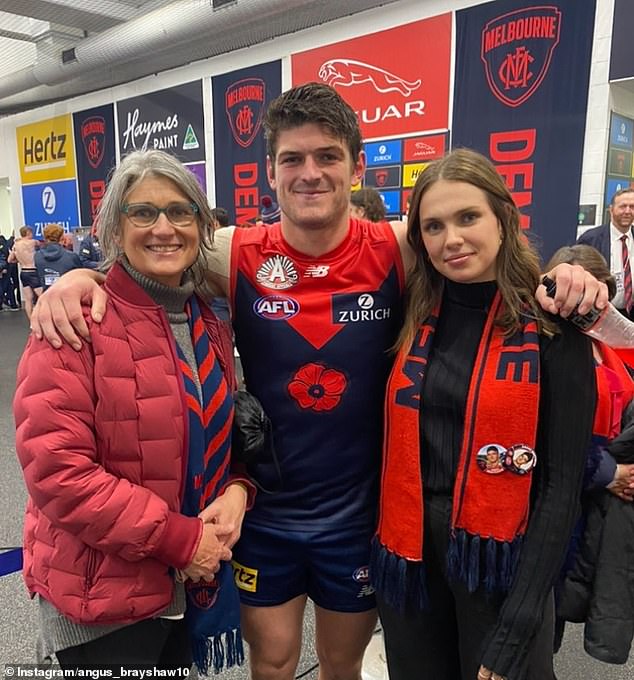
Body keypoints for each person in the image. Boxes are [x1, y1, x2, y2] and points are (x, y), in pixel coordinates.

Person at [29, 84, 607, 680]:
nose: (311, 173)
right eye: (293, 159)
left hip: (361, 517)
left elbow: (483, 253)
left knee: (341, 665)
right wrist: (81, 279)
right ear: (271, 173)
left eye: (328, 156)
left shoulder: (400, 246)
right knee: (273, 664)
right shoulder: (233, 252)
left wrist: (569, 276)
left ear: (356, 166)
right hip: (265, 509)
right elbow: (150, 254)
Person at [14, 150, 254, 671]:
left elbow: (218, 434)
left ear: (201, 226)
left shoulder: (205, 320)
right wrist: (181, 539)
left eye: (181, 211)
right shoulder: (75, 323)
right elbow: (58, 472)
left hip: (184, 584)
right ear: (115, 230)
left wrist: (238, 489)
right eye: (143, 212)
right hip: (102, 599)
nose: (163, 227)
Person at [372, 148, 597, 680]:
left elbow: (562, 487)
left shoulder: (552, 327)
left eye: (467, 217)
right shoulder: (411, 314)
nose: (451, 239)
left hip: (501, 567)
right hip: (411, 566)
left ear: (503, 217)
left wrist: (518, 624)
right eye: (433, 225)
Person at [544, 244, 634, 665]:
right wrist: (608, 470)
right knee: (538, 634)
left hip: (603, 515)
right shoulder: (536, 346)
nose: (574, 303)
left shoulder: (620, 349)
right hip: (550, 508)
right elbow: (536, 439)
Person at [577, 187, 634, 317]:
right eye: (622, 206)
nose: (627, 211)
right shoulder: (590, 239)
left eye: (632, 207)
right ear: (611, 209)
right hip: (602, 314)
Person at [7, 226, 42, 319]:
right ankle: (45, 318)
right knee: (43, 296)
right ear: (28, 233)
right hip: (33, 272)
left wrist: (19, 260)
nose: (33, 234)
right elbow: (42, 244)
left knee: (28, 299)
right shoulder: (33, 242)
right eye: (31, 233)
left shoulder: (15, 245)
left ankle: (32, 322)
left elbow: (9, 260)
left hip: (23, 272)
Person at [34, 224, 83, 290]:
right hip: (68, 295)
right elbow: (81, 277)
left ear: (44, 238)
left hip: (47, 295)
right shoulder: (72, 257)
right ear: (62, 238)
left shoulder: (37, 256)